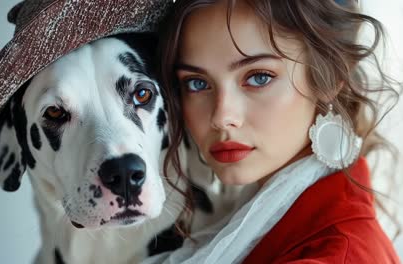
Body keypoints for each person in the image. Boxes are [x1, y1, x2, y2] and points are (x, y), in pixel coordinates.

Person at [146, 0, 402, 263]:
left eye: (259, 77)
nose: (222, 117)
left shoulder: (334, 255)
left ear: (330, 77)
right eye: (197, 83)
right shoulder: (250, 222)